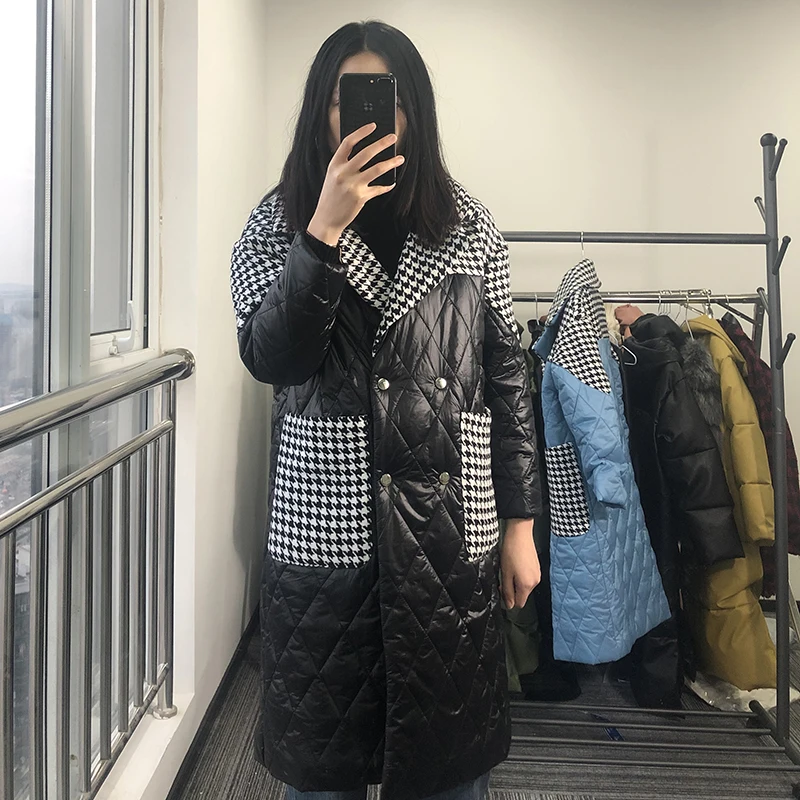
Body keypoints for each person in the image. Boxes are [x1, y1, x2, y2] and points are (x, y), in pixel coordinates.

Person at [229, 20, 542, 800]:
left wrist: (520, 526)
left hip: (446, 530)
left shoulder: (470, 228)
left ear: (414, 112)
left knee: (447, 767)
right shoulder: (276, 224)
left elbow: (508, 380)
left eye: (388, 98)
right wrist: (322, 234)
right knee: (323, 770)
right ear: (322, 111)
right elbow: (272, 358)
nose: (370, 115)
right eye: (350, 97)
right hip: (326, 530)